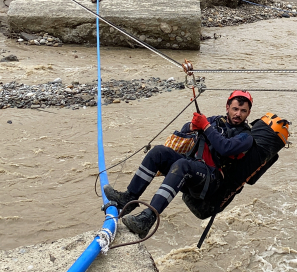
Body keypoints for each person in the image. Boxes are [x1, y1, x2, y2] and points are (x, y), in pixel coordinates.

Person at [104, 90, 254, 237]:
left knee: (183, 165)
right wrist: (192, 126)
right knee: (159, 152)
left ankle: (148, 218)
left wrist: (205, 126)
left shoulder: (246, 136)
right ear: (227, 107)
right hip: (194, 168)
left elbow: (225, 147)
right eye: (235, 109)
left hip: (212, 180)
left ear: (248, 113)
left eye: (243, 111)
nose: (238, 114)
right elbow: (185, 130)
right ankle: (129, 198)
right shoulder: (215, 121)